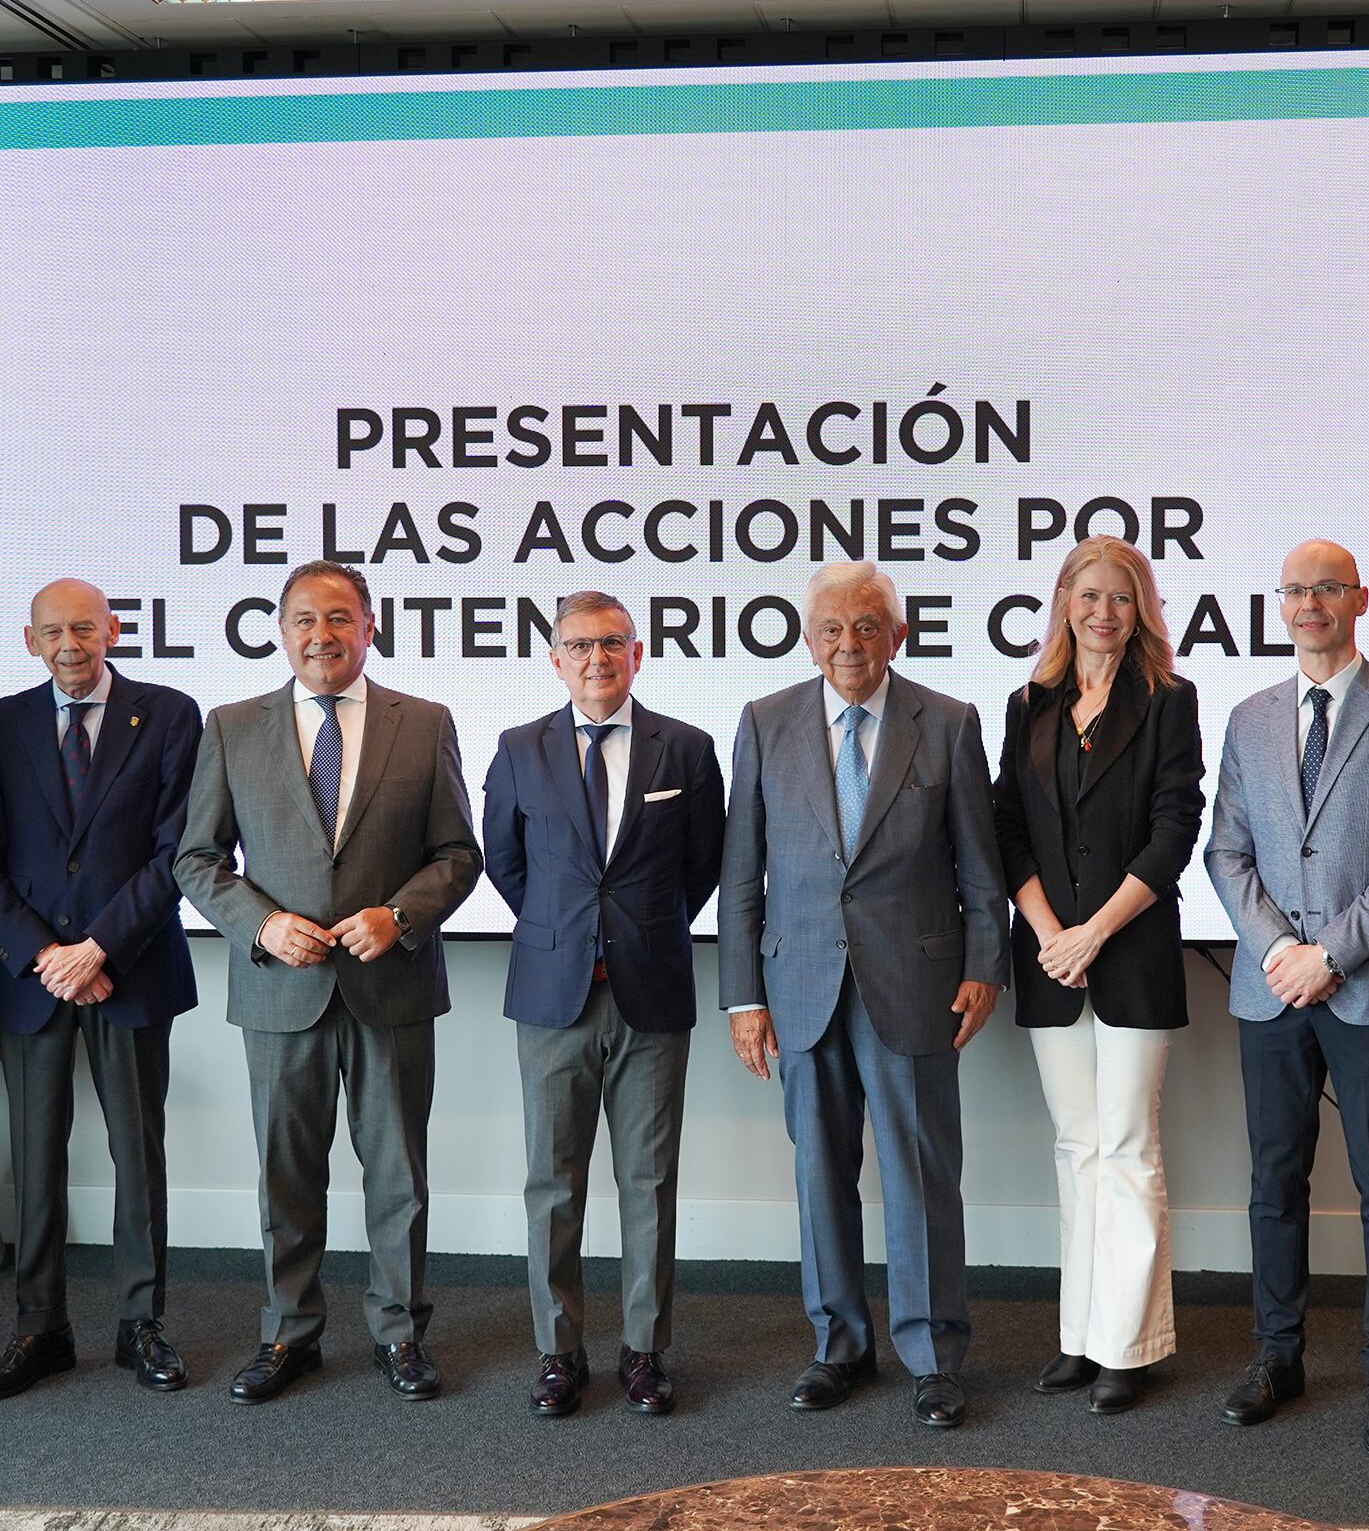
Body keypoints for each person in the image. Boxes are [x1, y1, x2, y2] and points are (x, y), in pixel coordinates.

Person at [174, 560, 482, 1406]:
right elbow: (196, 859)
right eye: (305, 619)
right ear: (282, 632)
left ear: (370, 627)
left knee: (397, 1177)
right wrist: (262, 924)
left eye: (340, 618)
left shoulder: (423, 723)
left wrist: (402, 917)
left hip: (392, 990)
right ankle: (288, 1332)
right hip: (279, 990)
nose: (323, 635)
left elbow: (459, 854)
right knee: (286, 1174)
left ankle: (400, 1333)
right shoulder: (233, 727)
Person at [719, 562, 1010, 1431]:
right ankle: (838, 1345)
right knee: (819, 1174)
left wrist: (984, 966)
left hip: (916, 985)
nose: (850, 645)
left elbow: (979, 869)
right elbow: (742, 874)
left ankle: (932, 1356)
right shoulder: (765, 723)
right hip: (799, 986)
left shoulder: (948, 724)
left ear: (898, 634)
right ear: (810, 640)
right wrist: (743, 997)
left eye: (868, 627)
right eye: (834, 630)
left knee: (921, 1176)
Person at [1204, 538, 1369, 1451]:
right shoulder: (1250, 716)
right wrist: (1280, 949)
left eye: (1328, 589)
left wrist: (1331, 955)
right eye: (1296, 591)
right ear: (1281, 605)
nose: (1310, 604)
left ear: (1360, 600)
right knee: (1274, 1181)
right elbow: (1224, 850)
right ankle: (1278, 1355)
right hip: (1270, 988)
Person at [480, 591, 726, 1419]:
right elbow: (507, 866)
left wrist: (635, 933)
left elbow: (702, 868)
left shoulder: (685, 750)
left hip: (651, 993)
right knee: (553, 1184)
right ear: (554, 659)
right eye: (579, 646)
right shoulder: (519, 749)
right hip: (553, 998)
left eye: (611, 644)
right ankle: (559, 1353)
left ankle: (645, 1353)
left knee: (649, 1181)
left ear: (638, 652)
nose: (596, 659)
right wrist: (570, 935)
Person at [0, 577, 202, 1400]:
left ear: (115, 630)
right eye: (54, 632)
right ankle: (40, 1328)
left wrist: (96, 948)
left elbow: (176, 853)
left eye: (86, 630)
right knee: (36, 1160)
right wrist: (46, 956)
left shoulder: (169, 713)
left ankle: (142, 1326)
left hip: (129, 972)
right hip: (33, 982)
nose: (71, 645)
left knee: (138, 1155)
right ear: (30, 641)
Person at [992, 536, 1205, 1415]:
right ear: (1064, 604)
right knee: (1077, 1149)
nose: (1104, 612)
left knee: (1126, 1148)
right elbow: (1006, 828)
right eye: (1089, 596)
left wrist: (1093, 934)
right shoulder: (1028, 702)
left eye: (1122, 597)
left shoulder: (1168, 700)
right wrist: (1052, 934)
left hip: (1132, 956)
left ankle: (1129, 1343)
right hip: (1050, 958)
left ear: (1142, 608)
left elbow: (1173, 829)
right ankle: (1079, 1336)